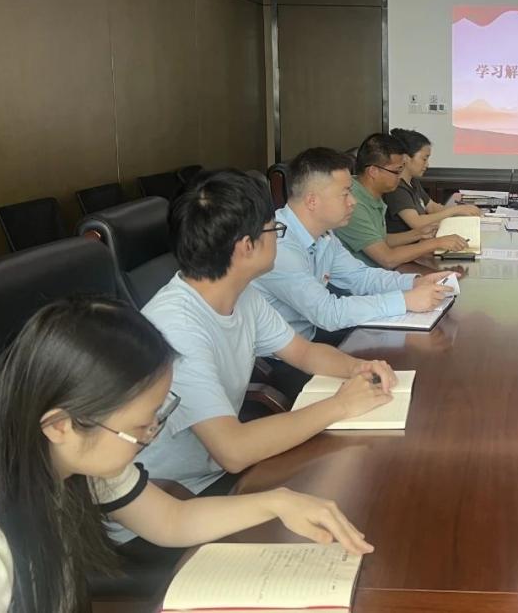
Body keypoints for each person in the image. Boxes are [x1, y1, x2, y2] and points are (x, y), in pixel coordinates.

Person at [0, 296, 372, 613]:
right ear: (60, 425)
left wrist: (278, 501)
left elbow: (173, 520)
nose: (151, 437)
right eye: (140, 428)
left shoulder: (71, 459)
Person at [113, 169, 396, 548]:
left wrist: (359, 369)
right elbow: (233, 451)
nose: (279, 236)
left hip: (211, 481)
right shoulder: (176, 328)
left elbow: (303, 352)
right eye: (274, 229)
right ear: (247, 246)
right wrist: (340, 405)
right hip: (164, 508)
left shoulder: (240, 293)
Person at [254, 146, 457, 342]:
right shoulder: (278, 246)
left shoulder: (324, 235)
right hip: (280, 356)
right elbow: (327, 312)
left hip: (308, 336)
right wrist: (405, 300)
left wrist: (415, 282)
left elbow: (360, 277)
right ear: (312, 201)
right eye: (345, 194)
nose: (353, 201)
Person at [335, 133, 468, 269]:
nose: (400, 177)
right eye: (397, 171)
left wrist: (419, 233)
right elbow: (387, 258)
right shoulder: (353, 204)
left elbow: (380, 239)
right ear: (373, 171)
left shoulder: (371, 193)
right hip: (364, 279)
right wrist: (436, 243)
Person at [384, 128, 481, 234]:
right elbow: (416, 222)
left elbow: (432, 207)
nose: (427, 164)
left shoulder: (412, 181)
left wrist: (463, 211)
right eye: (424, 159)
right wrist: (456, 210)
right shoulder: (396, 187)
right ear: (406, 158)